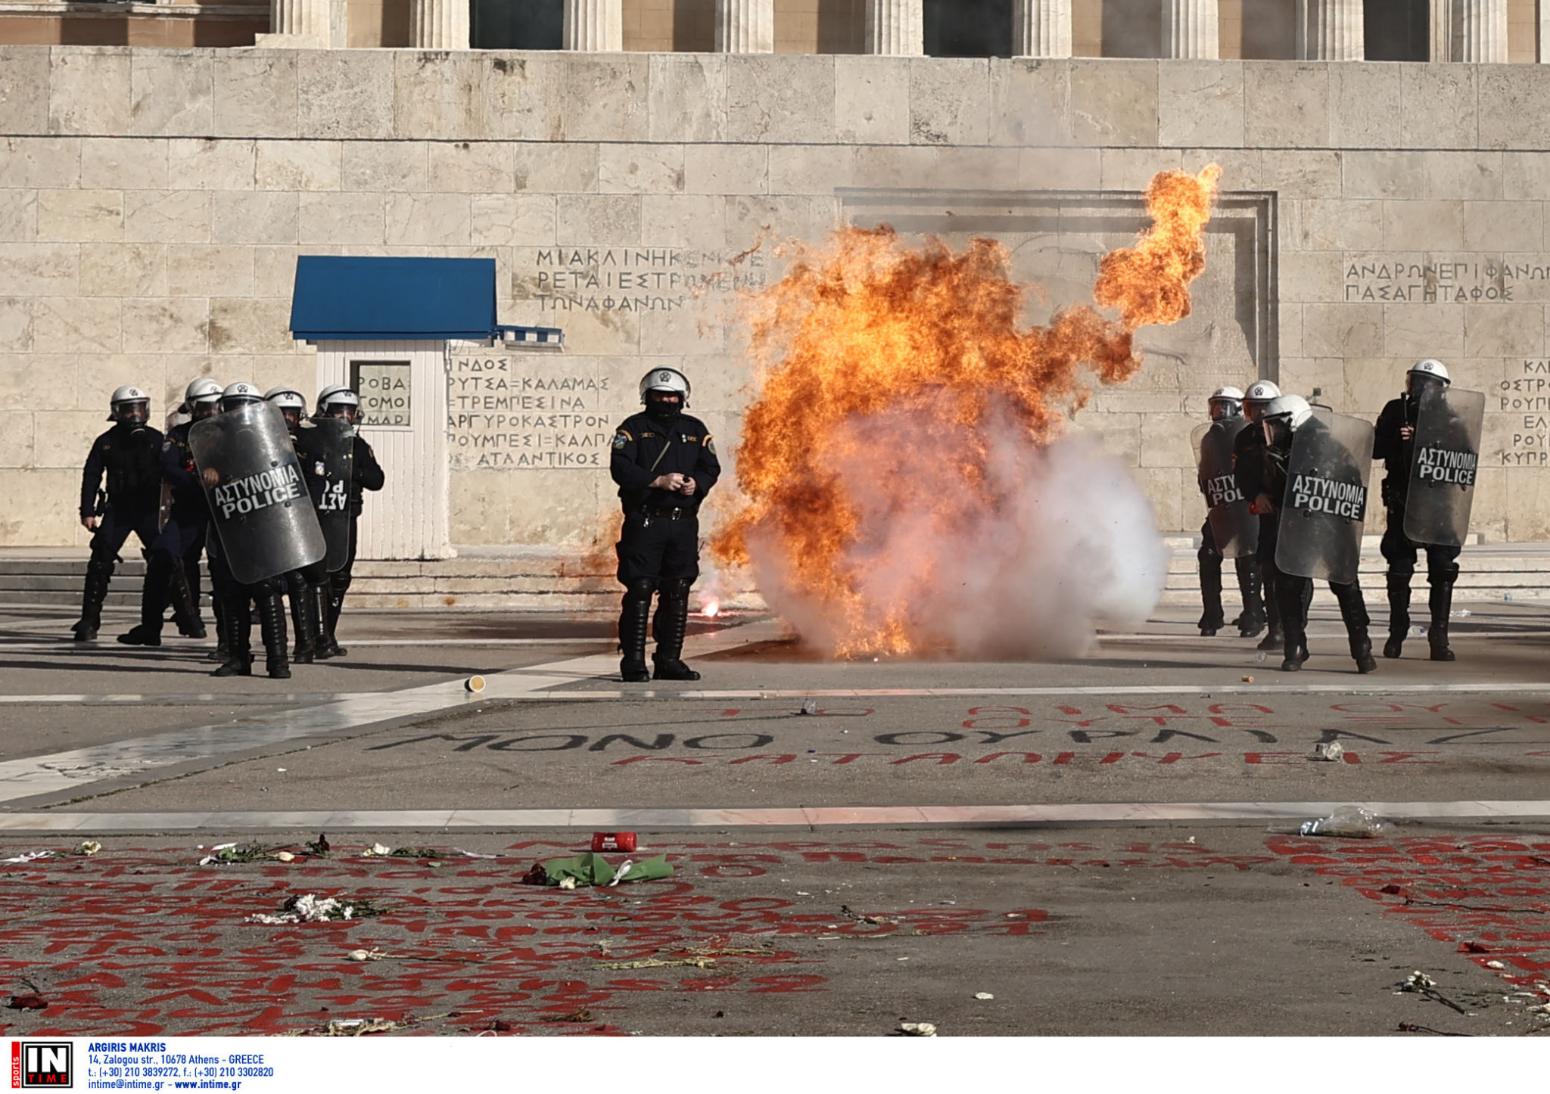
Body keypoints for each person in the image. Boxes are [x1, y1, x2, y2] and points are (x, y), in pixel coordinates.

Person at [609, 367, 721, 682]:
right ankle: (633, 661)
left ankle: (669, 659)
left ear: (683, 398)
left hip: (682, 524)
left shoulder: (695, 429)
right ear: (648, 396)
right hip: (645, 522)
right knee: (641, 588)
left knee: (678, 589)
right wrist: (657, 480)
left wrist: (695, 484)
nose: (667, 400)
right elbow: (620, 468)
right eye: (660, 395)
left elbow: (710, 467)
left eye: (672, 395)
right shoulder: (633, 428)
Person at [1258, 394, 1377, 675]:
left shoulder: (1330, 447)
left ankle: (1362, 649)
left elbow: (1352, 483)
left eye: (1277, 426)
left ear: (1293, 422)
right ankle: (1295, 647)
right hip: (1297, 529)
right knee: (1288, 585)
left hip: (1332, 527)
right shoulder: (1280, 454)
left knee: (1346, 586)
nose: (1273, 433)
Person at [1373, 359, 1465, 662]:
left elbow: (1462, 460)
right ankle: (1397, 630)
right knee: (1399, 570)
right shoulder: (1394, 411)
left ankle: (1439, 636)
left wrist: (1422, 442)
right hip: (1403, 501)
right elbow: (1375, 448)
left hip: (1438, 504)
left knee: (1443, 569)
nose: (1418, 388)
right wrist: (1394, 438)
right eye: (1415, 381)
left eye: (1426, 383)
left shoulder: (1451, 420)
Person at [119, 379, 222, 648]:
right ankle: (153, 625)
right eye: (203, 406)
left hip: (224, 511)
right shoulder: (179, 436)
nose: (210, 412)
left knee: (223, 572)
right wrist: (197, 479)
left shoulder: (230, 433)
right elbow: (168, 465)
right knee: (164, 557)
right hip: (188, 510)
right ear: (191, 407)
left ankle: (229, 641)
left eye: (215, 406)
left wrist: (220, 475)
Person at [205, 382, 291, 679]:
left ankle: (278, 659)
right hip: (230, 527)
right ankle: (238, 656)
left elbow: (289, 478)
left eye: (245, 406)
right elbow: (201, 475)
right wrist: (208, 474)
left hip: (264, 528)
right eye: (233, 406)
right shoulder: (214, 443)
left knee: (267, 592)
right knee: (232, 594)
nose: (239, 413)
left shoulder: (272, 439)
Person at [71, 386, 163, 641]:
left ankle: (160, 625)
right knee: (100, 560)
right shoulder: (107, 441)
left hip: (149, 511)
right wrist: (87, 511)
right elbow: (91, 475)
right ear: (117, 412)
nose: (135, 414)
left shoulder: (156, 439)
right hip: (119, 510)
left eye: (139, 408)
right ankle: (89, 620)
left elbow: (170, 475)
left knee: (165, 561)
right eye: (128, 409)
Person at [314, 386, 384, 659]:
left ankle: (329, 634)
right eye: (338, 411)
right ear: (324, 412)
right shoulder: (312, 440)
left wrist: (352, 467)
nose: (344, 417)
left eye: (349, 412)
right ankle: (313, 637)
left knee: (340, 577)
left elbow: (376, 480)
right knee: (315, 577)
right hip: (318, 516)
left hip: (346, 517)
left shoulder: (359, 446)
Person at [1195, 385, 1265, 638]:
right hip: (1222, 505)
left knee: (1247, 558)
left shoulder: (1247, 435)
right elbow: (1205, 471)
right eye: (1215, 405)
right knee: (1208, 554)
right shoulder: (1209, 439)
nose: (1217, 411)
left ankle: (1254, 613)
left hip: (1246, 507)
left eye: (1223, 406)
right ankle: (1212, 613)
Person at [266, 386, 328, 664]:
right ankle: (283, 645)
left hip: (300, 517)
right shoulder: (260, 439)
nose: (288, 419)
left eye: (292, 414)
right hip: (270, 518)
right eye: (282, 414)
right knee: (280, 582)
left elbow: (317, 479)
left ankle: (309, 642)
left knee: (303, 578)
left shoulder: (309, 442)